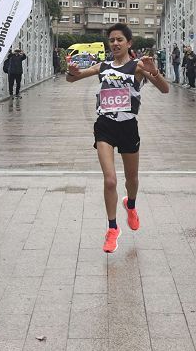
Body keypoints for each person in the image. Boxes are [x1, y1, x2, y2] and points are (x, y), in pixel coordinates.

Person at [65, 24, 169, 253]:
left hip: (128, 127)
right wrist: (72, 72)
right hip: (105, 126)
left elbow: (165, 90)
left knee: (131, 180)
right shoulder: (103, 66)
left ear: (129, 43)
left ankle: (130, 205)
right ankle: (112, 229)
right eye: (111, 40)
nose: (115, 43)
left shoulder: (138, 66)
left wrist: (154, 72)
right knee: (110, 180)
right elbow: (73, 79)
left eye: (120, 39)